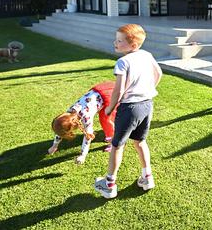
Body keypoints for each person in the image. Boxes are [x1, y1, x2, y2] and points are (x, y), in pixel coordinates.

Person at [94, 24, 163, 199]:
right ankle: (147, 177)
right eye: (116, 39)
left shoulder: (123, 62)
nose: (115, 43)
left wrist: (109, 108)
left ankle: (109, 185)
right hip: (147, 105)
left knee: (117, 145)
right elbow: (159, 74)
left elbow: (117, 91)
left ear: (132, 45)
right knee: (140, 141)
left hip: (129, 108)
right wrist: (147, 90)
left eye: (119, 40)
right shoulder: (147, 55)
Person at [47, 81, 118, 164]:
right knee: (104, 118)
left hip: (108, 95)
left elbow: (88, 136)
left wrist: (83, 155)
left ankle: (113, 143)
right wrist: (54, 146)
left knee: (106, 121)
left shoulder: (86, 117)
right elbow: (60, 128)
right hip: (99, 93)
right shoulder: (69, 114)